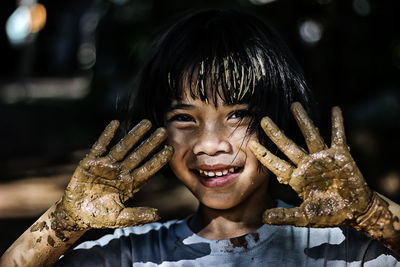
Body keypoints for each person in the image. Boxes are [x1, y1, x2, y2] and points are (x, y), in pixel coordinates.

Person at [1, 8, 399, 267]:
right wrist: (63, 222)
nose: (210, 143)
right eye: (184, 118)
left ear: (279, 120)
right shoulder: (131, 254)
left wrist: (371, 213)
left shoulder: (342, 251)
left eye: (238, 115)